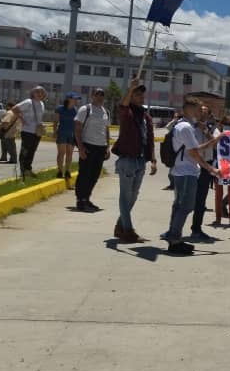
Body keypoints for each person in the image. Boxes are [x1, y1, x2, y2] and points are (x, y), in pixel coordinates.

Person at [165, 97, 221, 255]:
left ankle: (173, 236)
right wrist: (211, 169)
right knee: (185, 206)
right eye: (198, 109)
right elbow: (194, 153)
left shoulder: (183, 126)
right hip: (186, 173)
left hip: (183, 171)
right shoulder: (186, 128)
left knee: (179, 206)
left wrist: (213, 142)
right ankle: (175, 241)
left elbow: (194, 148)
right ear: (190, 109)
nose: (200, 112)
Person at [111, 80, 157, 243]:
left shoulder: (146, 117)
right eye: (137, 94)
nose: (140, 97)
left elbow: (149, 139)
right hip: (127, 160)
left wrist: (152, 159)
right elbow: (122, 105)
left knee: (133, 196)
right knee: (125, 196)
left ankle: (120, 225)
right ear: (130, 97)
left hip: (140, 161)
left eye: (141, 94)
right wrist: (129, 89)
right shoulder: (127, 113)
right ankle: (128, 231)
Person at [73, 88, 110, 212]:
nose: (100, 97)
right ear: (92, 96)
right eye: (97, 95)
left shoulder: (106, 112)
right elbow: (78, 129)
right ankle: (80, 200)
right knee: (84, 174)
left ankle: (87, 198)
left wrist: (107, 147)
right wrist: (81, 148)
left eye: (102, 95)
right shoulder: (85, 109)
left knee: (94, 175)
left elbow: (106, 129)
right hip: (88, 145)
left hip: (101, 147)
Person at [189, 104, 218, 243]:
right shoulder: (189, 126)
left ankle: (196, 228)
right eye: (200, 111)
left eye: (206, 112)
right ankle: (174, 229)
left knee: (200, 200)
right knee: (185, 200)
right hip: (190, 166)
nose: (203, 113)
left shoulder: (212, 128)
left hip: (205, 167)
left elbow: (216, 143)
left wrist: (206, 130)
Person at [10, 85, 47, 180]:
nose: (39, 94)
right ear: (33, 93)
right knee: (25, 151)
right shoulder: (28, 102)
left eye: (41, 92)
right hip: (27, 131)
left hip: (37, 132)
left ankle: (28, 169)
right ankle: (22, 171)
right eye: (37, 92)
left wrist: (41, 124)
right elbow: (14, 109)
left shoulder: (42, 104)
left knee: (32, 151)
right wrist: (22, 119)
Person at [53, 93, 79, 180]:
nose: (76, 100)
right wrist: (54, 131)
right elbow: (56, 121)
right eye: (74, 99)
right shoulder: (60, 109)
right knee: (61, 153)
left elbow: (77, 123)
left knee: (70, 153)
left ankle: (68, 171)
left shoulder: (76, 110)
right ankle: (60, 171)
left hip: (72, 134)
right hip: (62, 133)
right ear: (69, 99)